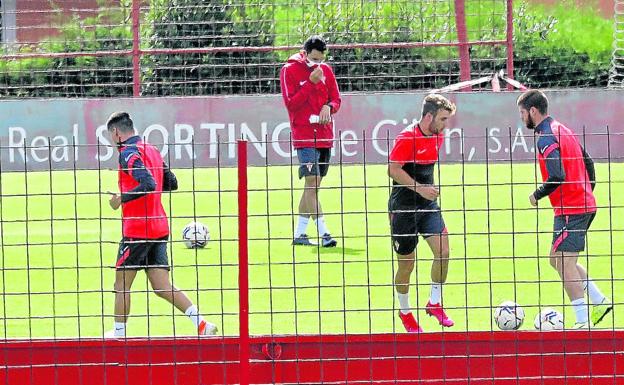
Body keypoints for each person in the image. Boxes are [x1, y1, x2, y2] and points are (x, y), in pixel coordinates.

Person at [104, 112, 217, 337]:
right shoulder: (152, 150)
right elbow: (171, 182)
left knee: (122, 284)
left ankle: (119, 334)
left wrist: (121, 198)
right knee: (162, 285)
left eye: (110, 135)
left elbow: (148, 182)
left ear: (116, 132)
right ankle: (201, 323)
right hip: (159, 228)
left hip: (137, 230)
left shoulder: (127, 153)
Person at [517, 90, 612, 328]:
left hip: (572, 208)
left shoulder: (546, 137)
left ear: (532, 111)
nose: (521, 118)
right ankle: (599, 300)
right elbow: (587, 160)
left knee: (564, 261)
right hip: (579, 204)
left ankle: (582, 321)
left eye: (522, 113)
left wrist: (537, 194)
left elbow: (557, 174)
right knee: (556, 259)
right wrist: (587, 190)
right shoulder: (562, 129)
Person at [388, 94, 456, 333]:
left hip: (427, 206)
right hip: (403, 209)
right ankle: (405, 312)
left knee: (444, 251)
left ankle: (434, 302)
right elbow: (393, 169)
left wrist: (427, 193)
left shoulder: (437, 136)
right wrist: (421, 189)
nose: (446, 125)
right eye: (443, 119)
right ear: (429, 117)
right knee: (407, 265)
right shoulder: (407, 137)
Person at [280, 35, 341, 247]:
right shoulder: (289, 70)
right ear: (304, 53)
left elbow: (336, 99)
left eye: (321, 60)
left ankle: (299, 234)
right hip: (305, 136)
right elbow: (291, 104)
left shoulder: (327, 70)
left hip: (325, 136)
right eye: (314, 59)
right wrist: (310, 83)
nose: (318, 64)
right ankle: (325, 234)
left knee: (312, 188)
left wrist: (329, 107)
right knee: (312, 182)